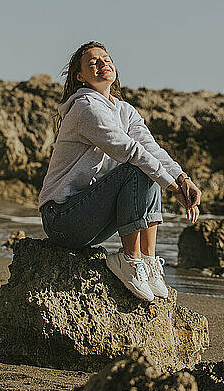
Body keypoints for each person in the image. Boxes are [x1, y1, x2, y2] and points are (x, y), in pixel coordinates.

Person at [39, 41, 202, 302]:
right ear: (80, 76)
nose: (103, 64)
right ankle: (130, 260)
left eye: (106, 59)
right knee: (138, 169)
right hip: (61, 219)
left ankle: (147, 261)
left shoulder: (125, 110)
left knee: (147, 164)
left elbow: (152, 149)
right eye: (94, 62)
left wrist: (183, 179)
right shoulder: (85, 108)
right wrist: (172, 188)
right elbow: (129, 151)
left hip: (91, 217)